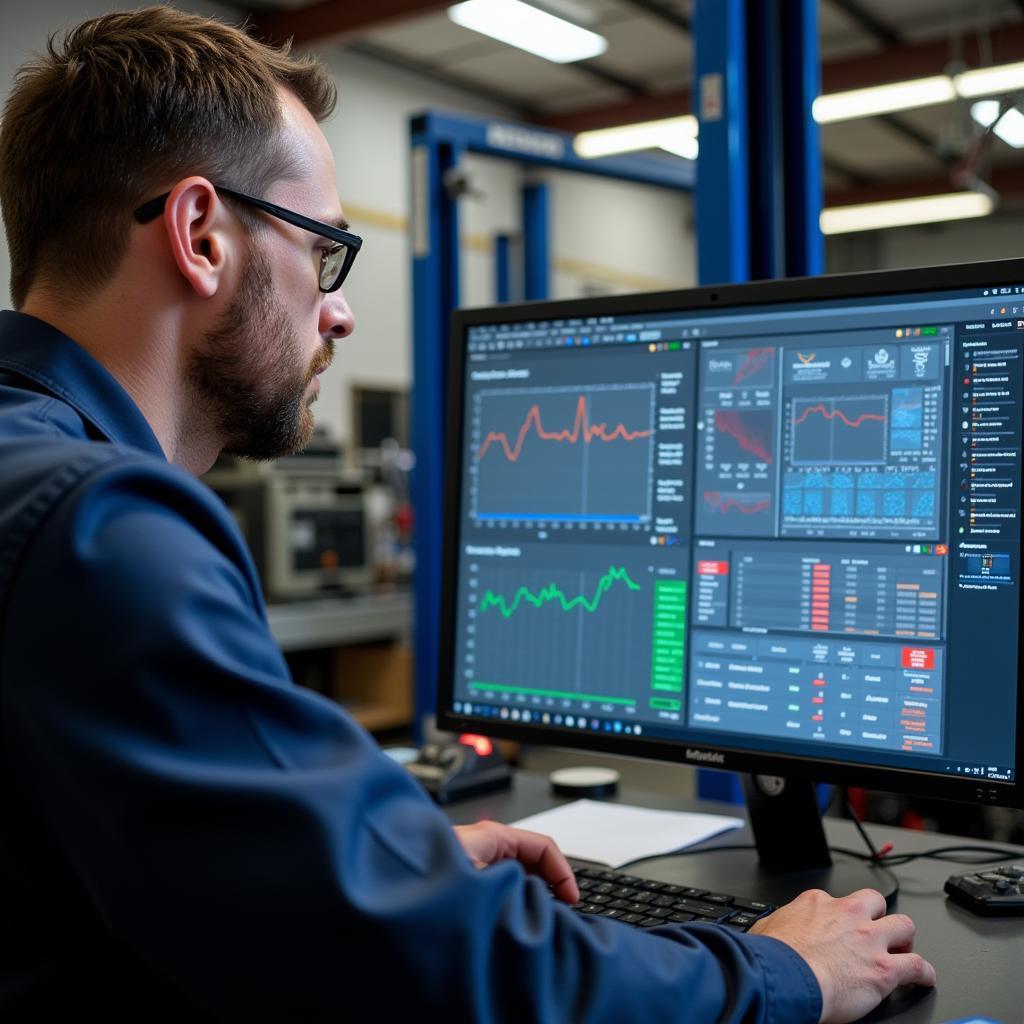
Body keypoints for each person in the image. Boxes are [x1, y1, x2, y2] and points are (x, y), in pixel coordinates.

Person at [0, 7, 935, 1022]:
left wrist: (363, 861)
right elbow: (442, 978)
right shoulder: (102, 532)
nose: (340, 308)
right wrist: (784, 971)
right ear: (199, 235)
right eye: (323, 251)